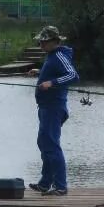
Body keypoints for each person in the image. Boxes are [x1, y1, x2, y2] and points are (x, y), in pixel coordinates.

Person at [26, 26, 79, 196]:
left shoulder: (59, 55)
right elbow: (54, 73)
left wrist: (52, 83)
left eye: (44, 41)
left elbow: (73, 75)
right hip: (46, 108)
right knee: (44, 143)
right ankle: (45, 183)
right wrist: (40, 72)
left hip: (54, 108)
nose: (40, 44)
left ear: (55, 42)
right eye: (40, 41)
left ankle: (61, 186)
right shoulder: (51, 56)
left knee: (51, 145)